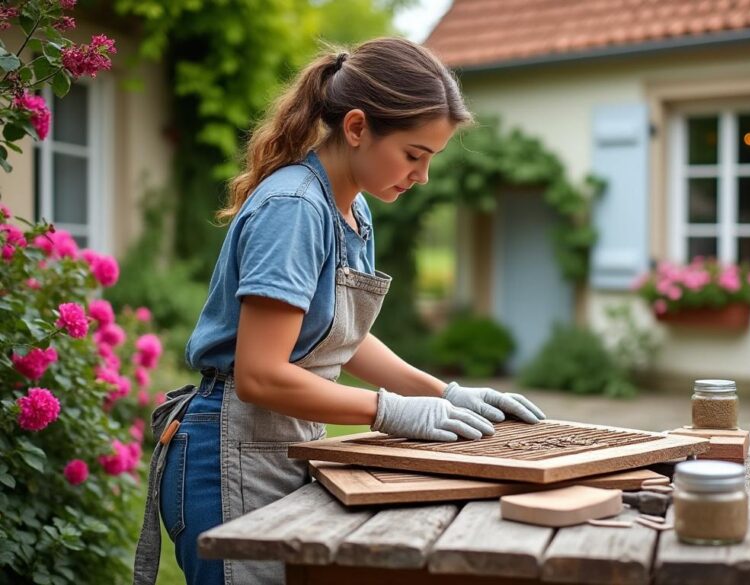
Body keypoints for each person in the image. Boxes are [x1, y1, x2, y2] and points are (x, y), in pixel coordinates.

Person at [133, 37, 546, 585]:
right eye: (413, 155)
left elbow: (339, 336)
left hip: (280, 442)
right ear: (356, 128)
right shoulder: (296, 209)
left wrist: (442, 393)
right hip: (229, 450)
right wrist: (391, 412)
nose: (421, 176)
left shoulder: (352, 209)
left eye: (431, 160)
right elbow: (259, 375)